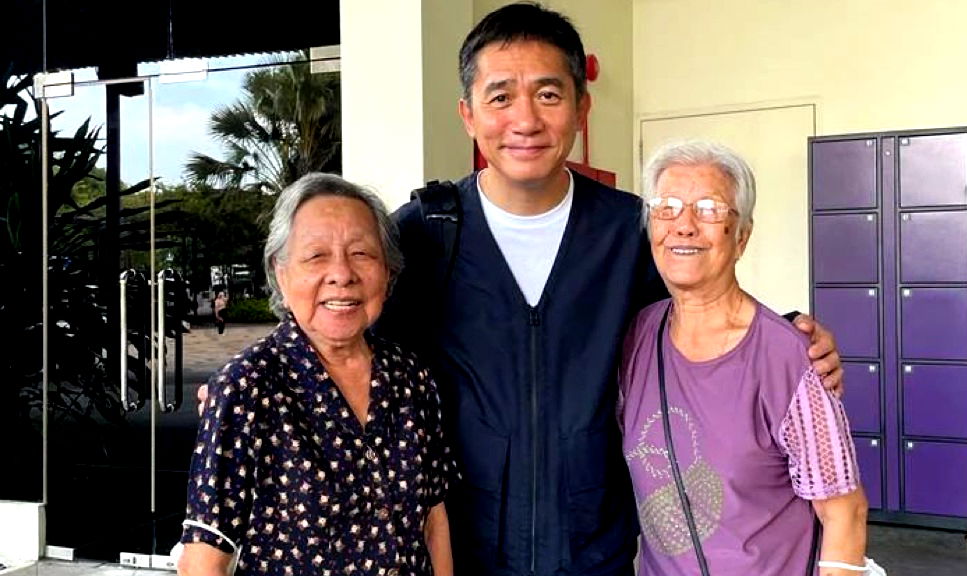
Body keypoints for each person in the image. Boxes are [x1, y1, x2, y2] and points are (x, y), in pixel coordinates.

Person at [198, 4, 843, 575]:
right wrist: (246, 386)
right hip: (464, 549)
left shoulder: (629, 231)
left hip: (598, 552)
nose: (525, 120)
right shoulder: (425, 233)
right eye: (501, 96)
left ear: (582, 106)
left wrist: (789, 338)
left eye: (549, 94)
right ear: (468, 113)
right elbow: (339, 327)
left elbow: (702, 317)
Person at [177, 173, 455, 576]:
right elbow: (204, 558)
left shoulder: (410, 377)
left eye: (362, 253)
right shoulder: (246, 387)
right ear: (282, 273)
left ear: (388, 273)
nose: (342, 274)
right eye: (316, 256)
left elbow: (433, 520)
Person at [619, 140, 870, 575]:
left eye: (710, 209)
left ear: (741, 237)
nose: (685, 225)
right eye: (668, 207)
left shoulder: (787, 356)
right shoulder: (637, 337)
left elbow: (843, 512)